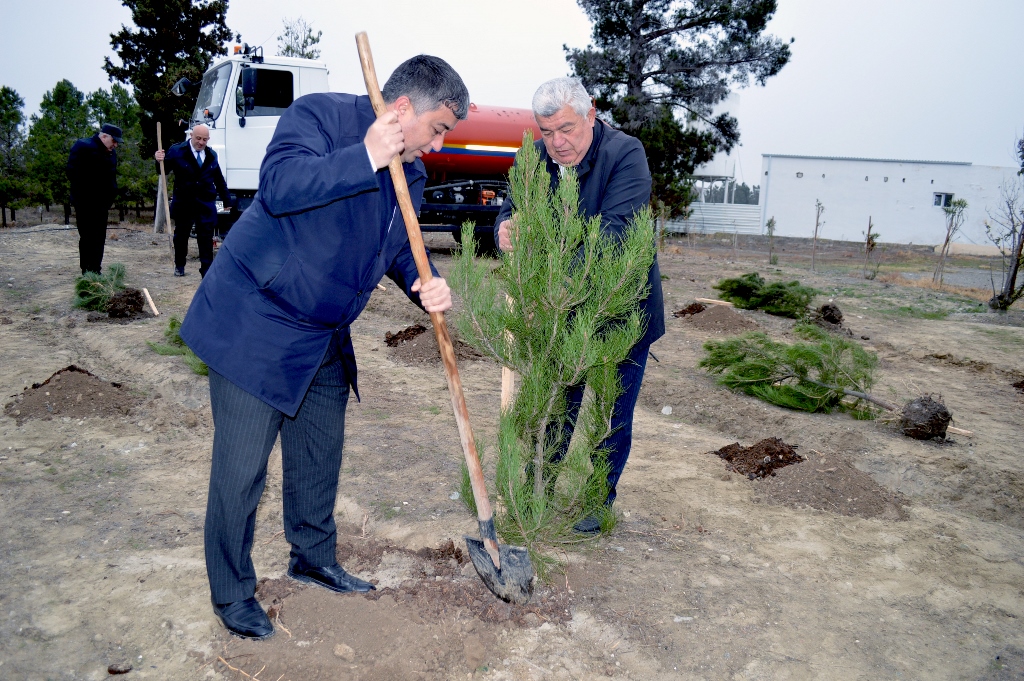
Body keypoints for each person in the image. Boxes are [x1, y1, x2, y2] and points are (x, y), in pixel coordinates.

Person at [179, 55, 469, 641]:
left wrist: (425, 282)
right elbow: (280, 187)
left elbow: (396, 246)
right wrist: (365, 155)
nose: (438, 145)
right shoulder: (320, 117)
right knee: (241, 471)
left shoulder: (410, 172)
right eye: (438, 128)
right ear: (403, 108)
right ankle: (231, 592)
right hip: (257, 324)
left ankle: (312, 558)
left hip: (325, 333)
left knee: (319, 455)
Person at [494, 77, 664, 535]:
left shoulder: (625, 155)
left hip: (622, 308)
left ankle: (597, 500)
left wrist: (554, 283)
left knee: (611, 412)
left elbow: (614, 234)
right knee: (554, 405)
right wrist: (504, 228)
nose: (557, 142)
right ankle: (537, 490)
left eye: (566, 129)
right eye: (547, 132)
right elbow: (511, 208)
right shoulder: (534, 159)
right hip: (560, 314)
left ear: (591, 113)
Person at [154, 124, 232, 277]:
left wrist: (227, 200)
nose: (201, 142)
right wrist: (158, 160)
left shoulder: (211, 155)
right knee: (181, 236)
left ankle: (206, 270)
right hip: (184, 202)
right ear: (191, 136)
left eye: (205, 140)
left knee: (206, 238)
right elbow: (163, 169)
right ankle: (180, 265)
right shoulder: (177, 151)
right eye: (198, 138)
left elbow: (219, 179)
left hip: (205, 203)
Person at [67, 123, 121, 274]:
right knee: (87, 237)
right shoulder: (83, 146)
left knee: (99, 237)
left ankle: (96, 270)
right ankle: (86, 271)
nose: (115, 145)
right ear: (104, 136)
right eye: (114, 141)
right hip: (84, 202)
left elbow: (111, 177)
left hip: (102, 204)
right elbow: (72, 172)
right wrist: (86, 193)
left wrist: (110, 196)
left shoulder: (111, 153)